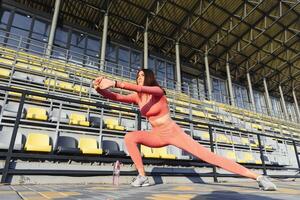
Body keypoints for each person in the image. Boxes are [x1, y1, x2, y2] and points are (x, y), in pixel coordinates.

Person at [93, 68, 277, 190]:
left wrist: (116, 82)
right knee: (130, 137)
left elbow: (129, 89)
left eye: (141, 75)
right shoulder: (137, 97)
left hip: (173, 132)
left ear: (148, 77)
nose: (138, 77)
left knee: (208, 156)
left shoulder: (158, 91)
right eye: (137, 75)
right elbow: (115, 97)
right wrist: (100, 88)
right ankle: (142, 176)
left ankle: (258, 178)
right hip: (157, 135)